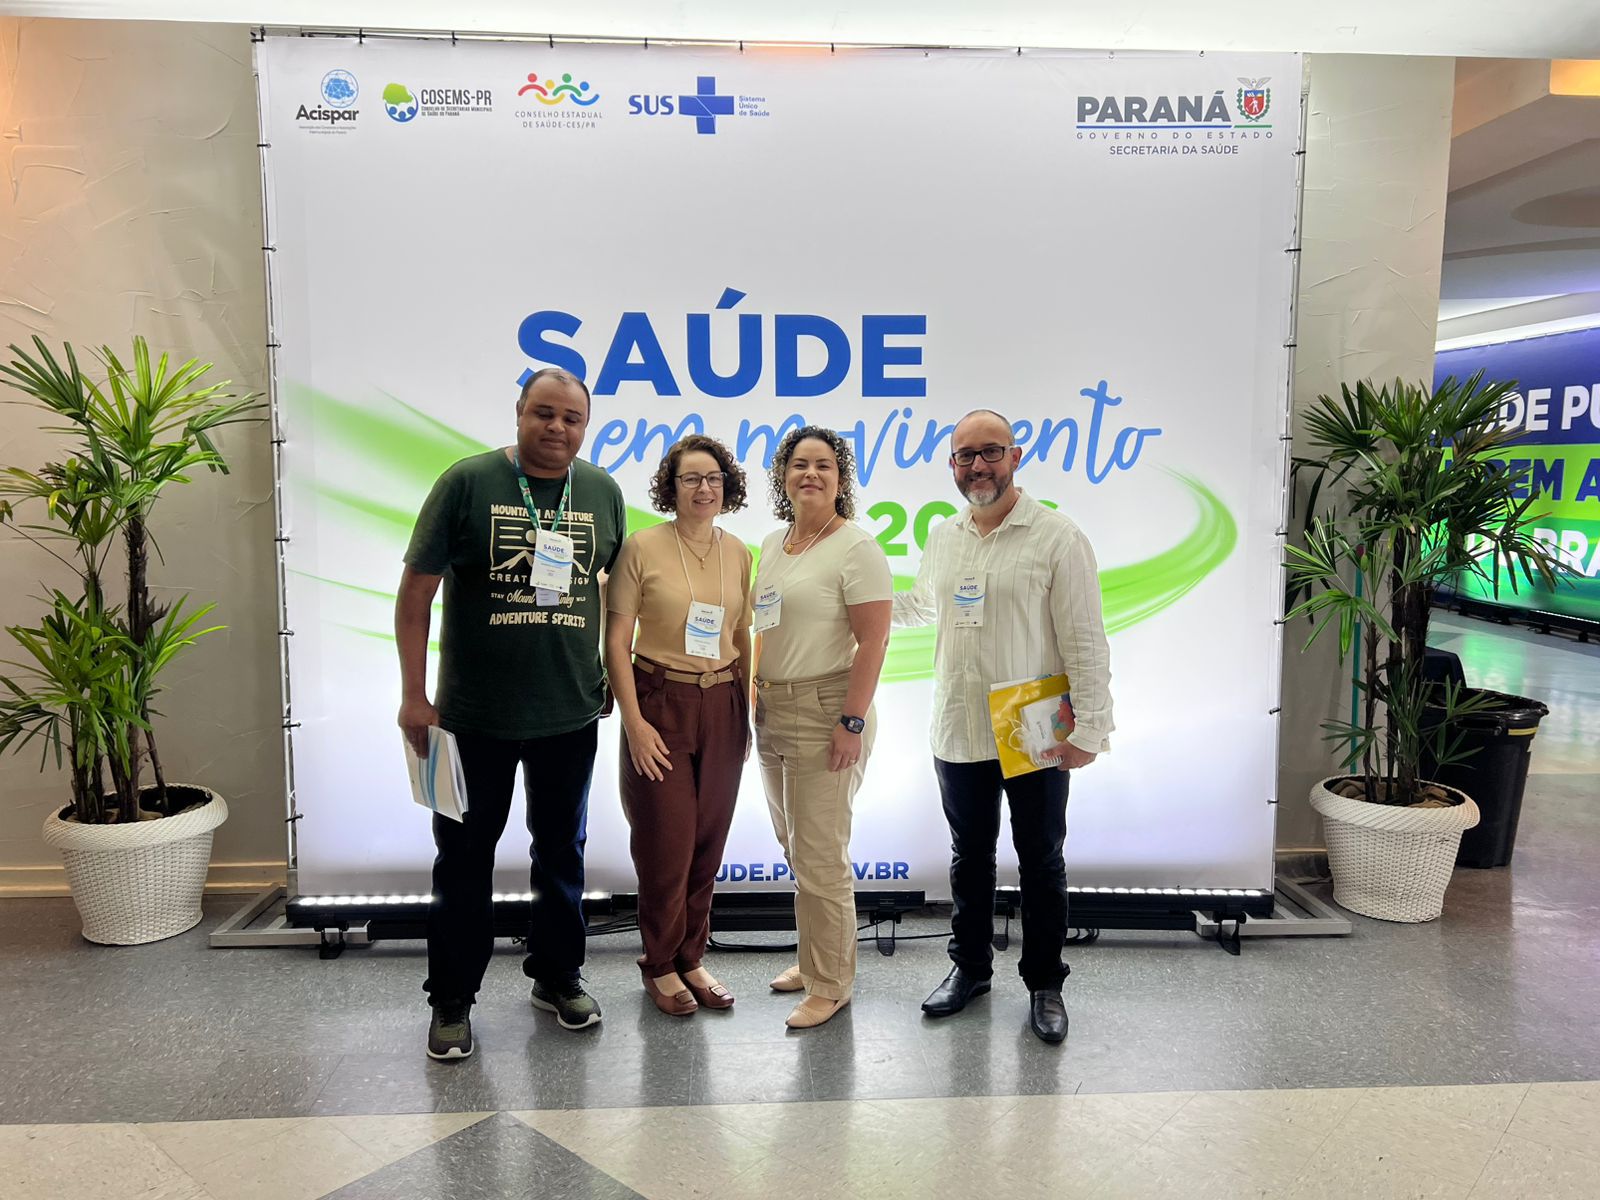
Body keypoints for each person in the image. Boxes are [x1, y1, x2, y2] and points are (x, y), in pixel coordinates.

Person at [396, 367, 626, 1060]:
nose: (557, 427)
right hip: (474, 718)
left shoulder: (602, 492)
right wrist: (414, 695)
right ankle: (451, 999)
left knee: (561, 854)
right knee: (463, 861)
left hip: (569, 714)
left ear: (585, 427)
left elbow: (613, 592)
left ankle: (557, 977)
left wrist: (605, 672)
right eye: (543, 413)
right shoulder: (467, 483)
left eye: (571, 419)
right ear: (520, 413)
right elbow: (415, 595)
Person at [892, 409, 1113, 1045]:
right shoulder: (945, 535)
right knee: (970, 857)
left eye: (990, 452)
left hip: (1033, 724)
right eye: (965, 456)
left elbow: (1085, 639)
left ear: (1016, 457)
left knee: (1041, 859)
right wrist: (852, 601)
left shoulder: (1057, 536)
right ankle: (970, 970)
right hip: (960, 719)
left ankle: (1045, 982)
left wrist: (1090, 729)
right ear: (951, 466)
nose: (978, 466)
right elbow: (921, 605)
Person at [605, 435, 753, 1017]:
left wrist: (745, 710)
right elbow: (616, 642)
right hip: (660, 700)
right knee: (665, 843)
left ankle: (692, 957)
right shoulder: (641, 547)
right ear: (672, 487)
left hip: (723, 701)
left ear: (727, 485)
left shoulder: (737, 552)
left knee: (708, 842)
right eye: (690, 478)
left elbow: (740, 636)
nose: (704, 488)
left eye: (713, 477)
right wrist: (634, 723)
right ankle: (659, 963)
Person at [750, 425, 892, 1029]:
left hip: (829, 706)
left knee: (820, 853)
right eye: (799, 464)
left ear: (840, 479)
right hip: (772, 708)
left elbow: (874, 641)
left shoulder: (856, 547)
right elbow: (764, 627)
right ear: (784, 477)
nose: (810, 473)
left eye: (824, 465)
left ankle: (832, 984)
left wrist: (850, 722)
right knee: (795, 847)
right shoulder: (775, 544)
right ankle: (814, 962)